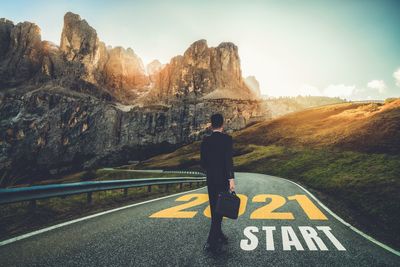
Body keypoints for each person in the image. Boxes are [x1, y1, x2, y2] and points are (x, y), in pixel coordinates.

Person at [200, 113, 235, 255]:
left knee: (215, 206)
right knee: (219, 209)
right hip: (222, 180)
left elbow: (203, 163)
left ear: (211, 124)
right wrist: (231, 179)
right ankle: (211, 241)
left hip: (210, 180)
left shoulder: (205, 141)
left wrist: (211, 169)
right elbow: (228, 161)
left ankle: (219, 234)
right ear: (222, 124)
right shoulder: (227, 139)